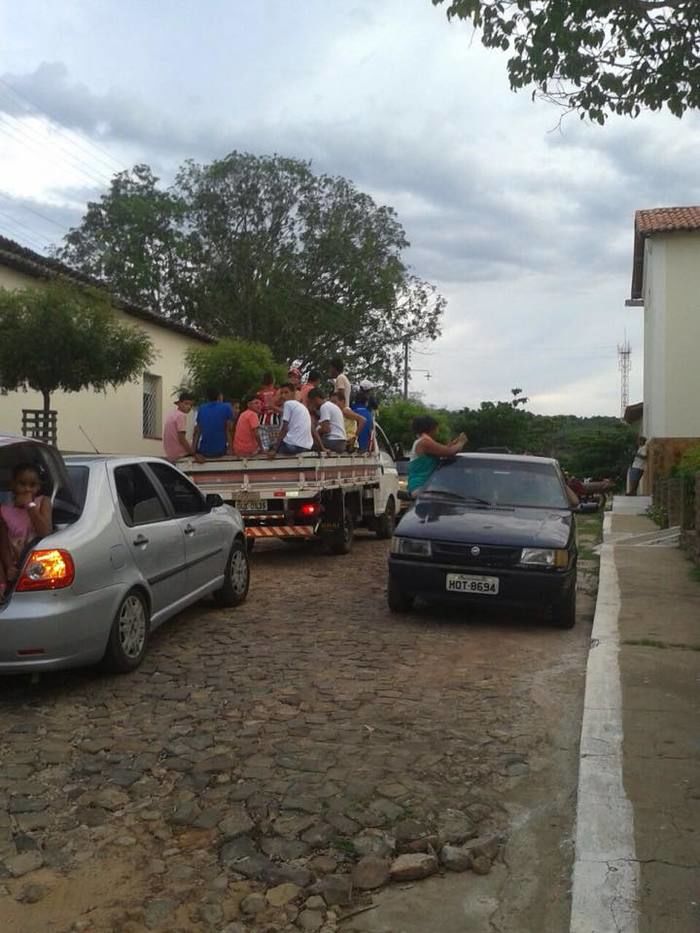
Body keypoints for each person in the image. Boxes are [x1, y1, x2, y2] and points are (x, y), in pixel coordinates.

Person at [0, 463, 53, 592]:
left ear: (39, 486)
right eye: (22, 484)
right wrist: (8, 566)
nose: (27, 489)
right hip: (13, 565)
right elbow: (4, 544)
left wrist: (30, 506)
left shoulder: (43, 502)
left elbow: (45, 532)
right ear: (13, 485)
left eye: (32, 485)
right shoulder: (4, 511)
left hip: (35, 565)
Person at [408, 416, 467, 496]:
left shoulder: (422, 441)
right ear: (430, 428)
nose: (437, 432)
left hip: (422, 486)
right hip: (422, 486)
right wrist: (461, 443)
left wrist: (455, 442)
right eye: (436, 429)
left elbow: (444, 449)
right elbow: (449, 452)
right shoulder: (424, 442)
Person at [269, 384, 315, 457]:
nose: (283, 396)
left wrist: (274, 449)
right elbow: (313, 429)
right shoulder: (302, 406)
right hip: (306, 447)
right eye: (281, 393)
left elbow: (285, 428)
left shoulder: (288, 404)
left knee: (270, 446)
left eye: (286, 392)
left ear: (293, 393)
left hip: (292, 446)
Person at [193, 388, 235, 458]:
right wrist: (231, 449)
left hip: (204, 451)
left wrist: (194, 451)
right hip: (220, 451)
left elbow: (197, 431)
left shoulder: (202, 408)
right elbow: (229, 430)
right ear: (219, 396)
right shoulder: (226, 407)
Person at [163, 391, 203, 463]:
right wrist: (194, 454)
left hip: (170, 454)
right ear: (179, 403)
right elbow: (182, 439)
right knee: (197, 434)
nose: (189, 407)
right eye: (186, 403)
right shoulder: (181, 416)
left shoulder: (172, 414)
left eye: (191, 405)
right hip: (179, 454)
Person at [308, 388, 347, 453]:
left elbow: (326, 429)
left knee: (307, 445)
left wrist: (316, 431)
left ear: (316, 399)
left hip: (334, 441)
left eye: (311, 402)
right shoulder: (331, 405)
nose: (312, 404)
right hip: (341, 441)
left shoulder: (324, 407)